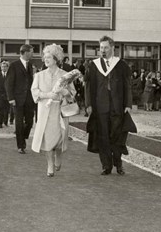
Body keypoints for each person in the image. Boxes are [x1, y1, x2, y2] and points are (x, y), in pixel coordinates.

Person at [85, 36, 132, 175]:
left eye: (105, 47)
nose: (103, 50)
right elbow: (88, 87)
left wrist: (128, 104)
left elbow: (127, 86)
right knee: (103, 136)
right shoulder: (93, 65)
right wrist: (88, 104)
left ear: (112, 48)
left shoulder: (121, 65)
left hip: (117, 106)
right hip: (100, 107)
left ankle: (118, 163)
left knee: (117, 136)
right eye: (101, 48)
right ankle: (106, 165)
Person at [31, 44, 76, 177]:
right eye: (45, 57)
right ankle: (50, 165)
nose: (46, 59)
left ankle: (58, 156)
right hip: (45, 111)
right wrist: (47, 95)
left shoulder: (65, 76)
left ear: (56, 59)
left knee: (59, 139)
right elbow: (34, 92)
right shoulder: (39, 75)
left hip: (60, 112)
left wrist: (64, 91)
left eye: (49, 57)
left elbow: (73, 94)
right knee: (47, 140)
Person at [7, 44, 36, 154]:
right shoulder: (14, 65)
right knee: (19, 122)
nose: (33, 54)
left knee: (29, 121)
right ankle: (21, 145)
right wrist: (11, 98)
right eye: (32, 52)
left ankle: (23, 136)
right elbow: (9, 83)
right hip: (17, 99)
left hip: (29, 99)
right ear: (26, 52)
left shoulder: (30, 66)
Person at [0, 61, 11, 128]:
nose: (3, 68)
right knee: (0, 109)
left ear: (7, 67)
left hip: (7, 94)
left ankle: (5, 122)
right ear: (1, 67)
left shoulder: (10, 74)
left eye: (5, 66)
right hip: (0, 94)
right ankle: (0, 123)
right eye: (2, 67)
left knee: (7, 109)